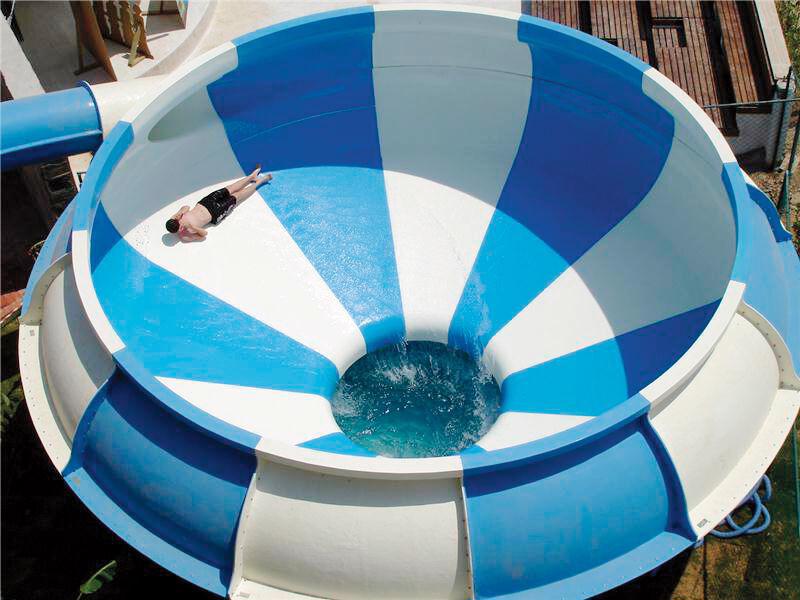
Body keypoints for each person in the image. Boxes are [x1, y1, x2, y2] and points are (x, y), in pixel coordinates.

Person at [165, 166, 272, 241]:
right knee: (237, 196)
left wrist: (178, 213)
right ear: (177, 231)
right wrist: (192, 227)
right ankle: (260, 181)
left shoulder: (177, 217)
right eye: (179, 227)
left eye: (178, 223)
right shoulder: (185, 236)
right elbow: (203, 235)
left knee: (230, 188)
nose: (180, 225)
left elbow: (186, 207)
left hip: (205, 202)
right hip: (215, 212)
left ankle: (252, 176)